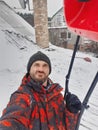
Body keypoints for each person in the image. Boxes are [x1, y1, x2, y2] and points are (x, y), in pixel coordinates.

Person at [0, 51, 81, 130]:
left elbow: (68, 127)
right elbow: (12, 120)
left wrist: (71, 112)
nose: (41, 69)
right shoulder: (23, 96)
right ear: (29, 69)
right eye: (36, 65)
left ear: (49, 70)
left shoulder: (57, 96)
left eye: (45, 65)